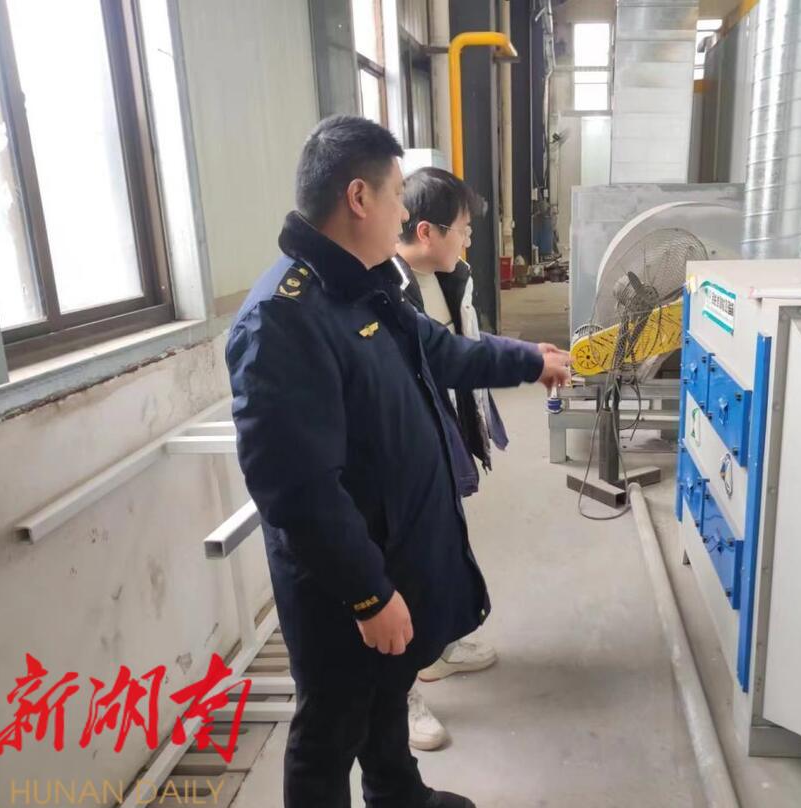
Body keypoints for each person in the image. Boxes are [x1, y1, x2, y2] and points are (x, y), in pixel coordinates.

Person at [226, 115, 571, 808]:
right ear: (358, 198)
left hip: (392, 549)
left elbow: (441, 350)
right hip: (342, 584)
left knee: (387, 691)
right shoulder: (283, 320)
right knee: (330, 729)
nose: (403, 213)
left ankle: (398, 796)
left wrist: (528, 360)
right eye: (395, 195)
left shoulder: (366, 285)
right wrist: (368, 594)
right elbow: (298, 491)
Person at [392, 167, 507, 751]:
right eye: (462, 228)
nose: (468, 238)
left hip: (446, 431)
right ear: (427, 231)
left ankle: (440, 646)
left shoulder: (449, 275)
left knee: (445, 549)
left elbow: (466, 349)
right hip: (407, 450)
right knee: (405, 566)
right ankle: (402, 693)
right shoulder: (386, 291)